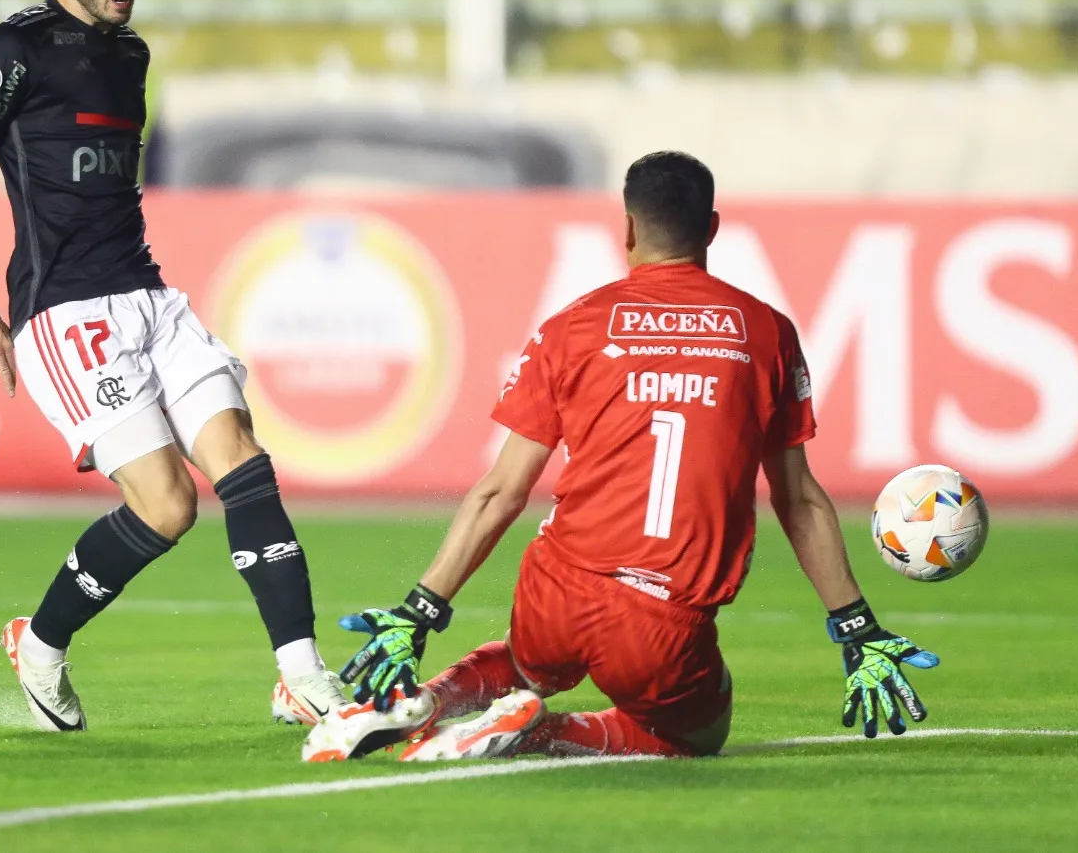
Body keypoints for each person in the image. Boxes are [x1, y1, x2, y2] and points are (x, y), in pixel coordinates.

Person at [309, 151, 938, 762]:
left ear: (629, 227)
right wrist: (855, 624)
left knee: (526, 662)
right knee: (700, 732)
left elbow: (501, 490)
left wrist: (419, 609)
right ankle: (546, 732)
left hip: (556, 588)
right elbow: (798, 499)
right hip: (662, 620)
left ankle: (425, 698)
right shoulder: (764, 331)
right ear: (713, 228)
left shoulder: (572, 326)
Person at [0, 0, 348, 734]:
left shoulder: (131, 55)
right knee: (167, 507)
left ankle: (302, 677)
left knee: (240, 458)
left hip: (150, 297)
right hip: (65, 313)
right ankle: (41, 643)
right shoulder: (13, 51)